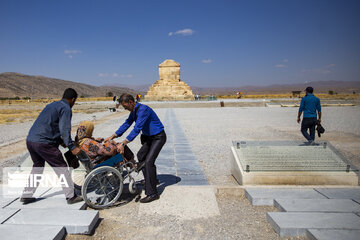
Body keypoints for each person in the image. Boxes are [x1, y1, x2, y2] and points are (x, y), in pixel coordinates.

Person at [20, 88, 83, 204]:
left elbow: (49, 125)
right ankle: (71, 196)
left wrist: (60, 141)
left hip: (31, 140)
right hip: (44, 143)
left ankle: (27, 194)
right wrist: (71, 147)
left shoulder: (52, 105)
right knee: (61, 167)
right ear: (73, 99)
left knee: (38, 166)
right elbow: (64, 129)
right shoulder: (66, 108)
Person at [105, 93, 166, 203]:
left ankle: (152, 193)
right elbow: (127, 123)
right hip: (149, 138)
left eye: (126, 106)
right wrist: (114, 135)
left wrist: (123, 143)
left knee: (148, 162)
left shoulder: (143, 110)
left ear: (131, 102)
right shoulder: (134, 111)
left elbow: (137, 129)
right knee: (141, 156)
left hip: (158, 137)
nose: (126, 108)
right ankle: (152, 180)